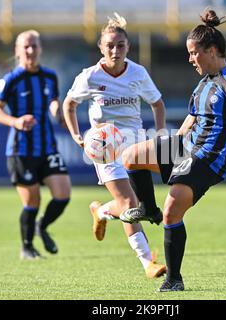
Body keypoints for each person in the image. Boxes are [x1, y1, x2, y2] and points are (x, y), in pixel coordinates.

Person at [122, 8, 226, 291]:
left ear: (213, 50)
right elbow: (192, 118)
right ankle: (147, 209)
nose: (191, 59)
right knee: (131, 157)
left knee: (172, 211)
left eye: (194, 53)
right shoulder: (204, 83)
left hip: (209, 160)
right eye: (189, 53)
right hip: (186, 148)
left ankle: (174, 280)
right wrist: (170, 144)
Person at [62, 13, 167, 278]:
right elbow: (69, 104)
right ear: (101, 48)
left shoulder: (137, 73)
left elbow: (157, 103)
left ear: (128, 47)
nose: (115, 50)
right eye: (110, 45)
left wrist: (161, 134)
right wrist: (77, 135)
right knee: (130, 202)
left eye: (120, 45)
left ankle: (101, 211)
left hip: (134, 146)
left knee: (136, 203)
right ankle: (147, 263)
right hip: (104, 148)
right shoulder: (89, 77)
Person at [0, 30, 71, 260]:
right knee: (32, 199)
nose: (31, 51)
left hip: (48, 147)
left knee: (63, 194)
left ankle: (41, 226)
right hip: (20, 150)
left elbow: (54, 100)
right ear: (17, 51)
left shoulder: (50, 77)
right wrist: (15, 121)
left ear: (40, 49)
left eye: (34, 46)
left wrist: (58, 111)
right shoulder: (11, 80)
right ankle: (27, 247)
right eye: (26, 46)